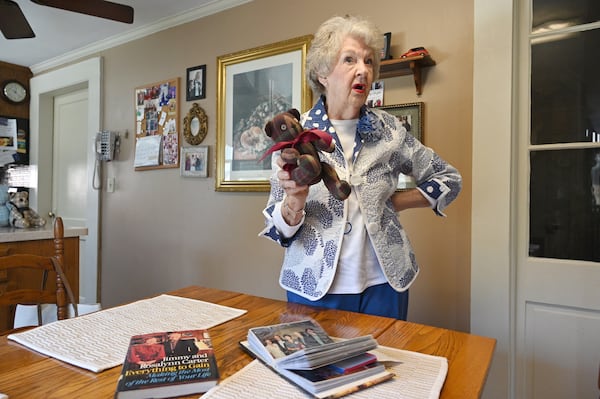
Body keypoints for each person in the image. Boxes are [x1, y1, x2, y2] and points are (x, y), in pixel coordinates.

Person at [259, 15, 462, 320]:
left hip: (385, 285)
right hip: (313, 287)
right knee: (314, 369)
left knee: (386, 366)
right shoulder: (296, 134)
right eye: (350, 59)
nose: (363, 70)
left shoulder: (391, 131)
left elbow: (449, 178)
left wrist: (398, 202)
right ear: (322, 73)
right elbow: (278, 230)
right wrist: (293, 203)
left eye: (369, 61)